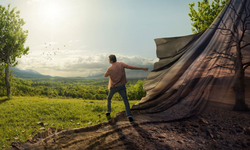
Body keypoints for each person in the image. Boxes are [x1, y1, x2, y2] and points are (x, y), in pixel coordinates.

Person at [104, 54, 148, 123]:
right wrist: (142, 68)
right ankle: (129, 116)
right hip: (122, 86)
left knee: (109, 98)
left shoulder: (110, 68)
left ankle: (108, 112)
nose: (108, 60)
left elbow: (105, 76)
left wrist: (109, 72)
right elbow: (131, 67)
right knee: (125, 101)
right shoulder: (121, 64)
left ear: (111, 60)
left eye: (108, 59)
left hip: (114, 87)